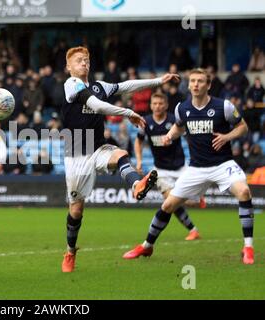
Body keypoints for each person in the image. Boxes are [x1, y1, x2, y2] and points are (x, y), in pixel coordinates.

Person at [60, 46, 180, 272]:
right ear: (69, 67)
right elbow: (96, 105)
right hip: (76, 153)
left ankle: (137, 185)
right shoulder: (71, 85)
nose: (84, 63)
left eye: (86, 59)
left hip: (97, 147)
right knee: (76, 211)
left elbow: (126, 86)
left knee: (120, 154)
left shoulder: (98, 86)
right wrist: (128, 113)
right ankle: (70, 251)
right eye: (78, 60)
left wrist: (157, 81)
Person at [123, 68, 255, 265]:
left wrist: (227, 137)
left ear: (208, 85)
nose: (195, 84)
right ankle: (147, 246)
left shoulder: (224, 106)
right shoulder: (181, 109)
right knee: (167, 205)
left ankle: (248, 247)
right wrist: (170, 135)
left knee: (244, 192)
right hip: (196, 168)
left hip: (222, 164)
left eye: (200, 81)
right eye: (192, 81)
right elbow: (178, 125)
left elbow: (243, 126)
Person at [135, 92, 203, 241]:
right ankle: (193, 230)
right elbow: (138, 141)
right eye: (154, 103)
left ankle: (197, 200)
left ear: (166, 105)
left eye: (160, 103)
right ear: (150, 105)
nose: (157, 106)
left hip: (180, 167)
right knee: (169, 200)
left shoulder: (174, 120)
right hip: (161, 170)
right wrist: (139, 160)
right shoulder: (145, 122)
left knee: (191, 202)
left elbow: (190, 137)